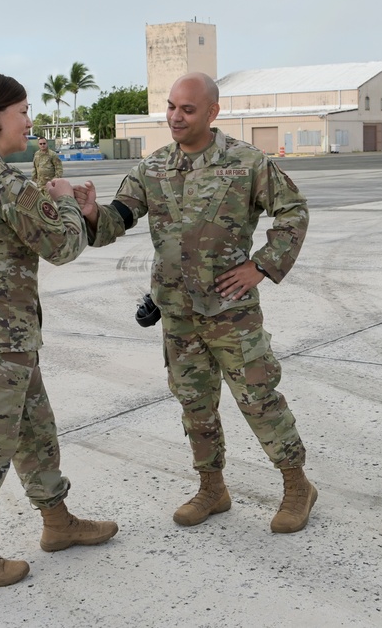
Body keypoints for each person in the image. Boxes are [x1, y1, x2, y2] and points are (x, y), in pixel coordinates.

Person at [73, 72, 317, 533]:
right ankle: (212, 488)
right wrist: (91, 213)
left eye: (187, 109)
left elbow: (293, 211)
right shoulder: (153, 167)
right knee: (194, 404)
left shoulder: (246, 163)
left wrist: (261, 266)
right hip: (178, 314)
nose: (175, 117)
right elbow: (115, 221)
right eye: (170, 107)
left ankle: (296, 486)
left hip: (230, 313)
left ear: (212, 112)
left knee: (259, 400)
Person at [0, 71, 117, 590]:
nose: (29, 121)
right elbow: (60, 246)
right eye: (22, 111)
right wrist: (67, 203)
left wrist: (42, 188)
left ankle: (57, 523)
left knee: (34, 428)